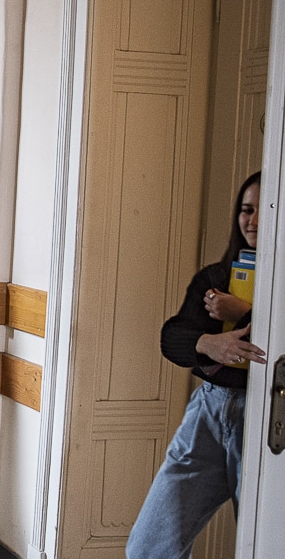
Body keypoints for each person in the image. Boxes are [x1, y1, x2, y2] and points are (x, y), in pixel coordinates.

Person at [127, 172, 264, 559]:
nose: (253, 221)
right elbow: (172, 337)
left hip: (265, 415)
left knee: (263, 544)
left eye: (263, 211)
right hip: (209, 410)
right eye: (246, 210)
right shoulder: (216, 278)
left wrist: (243, 313)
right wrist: (209, 343)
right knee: (148, 546)